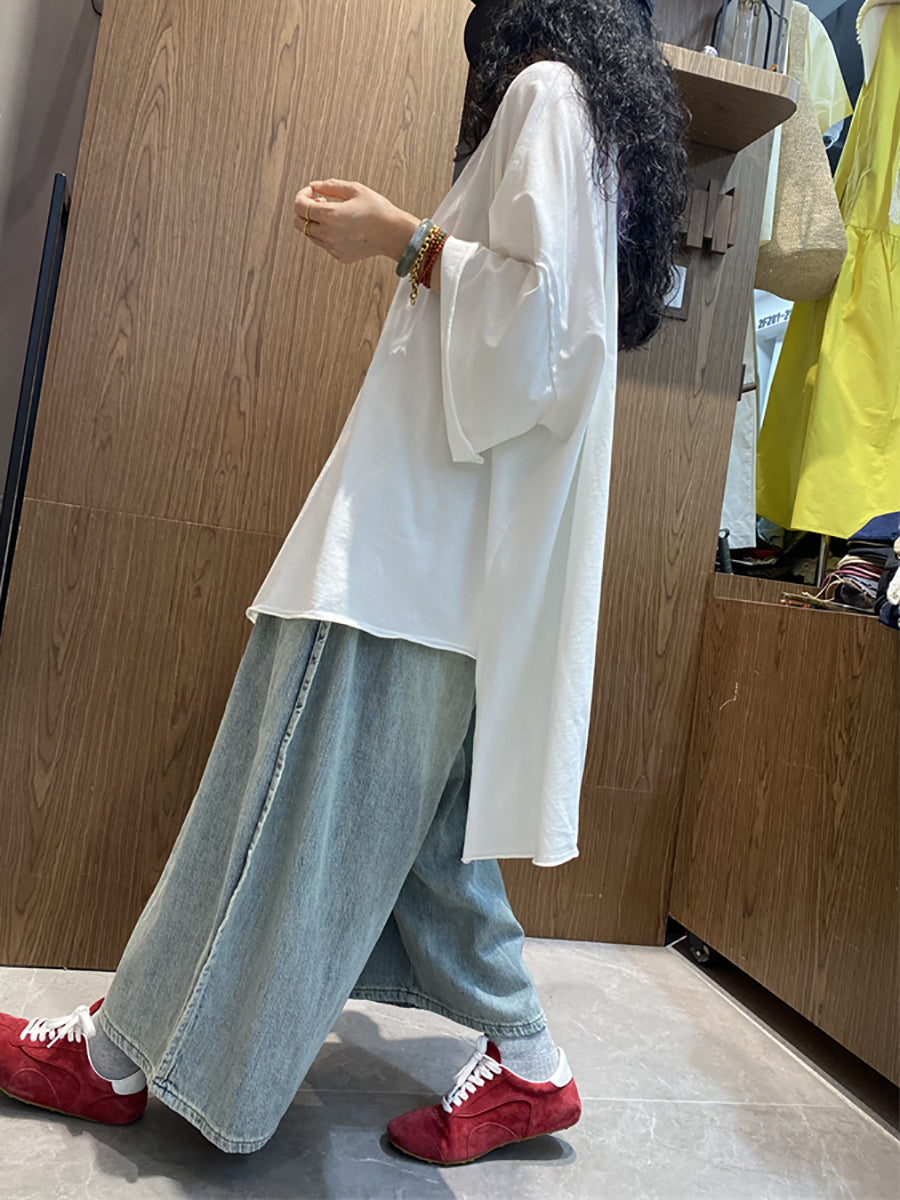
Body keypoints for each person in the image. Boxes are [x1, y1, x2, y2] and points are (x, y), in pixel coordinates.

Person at [0, 0, 685, 1167]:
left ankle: (115, 1056)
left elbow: (539, 342)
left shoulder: (545, 95)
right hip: (445, 565)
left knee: (271, 801)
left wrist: (402, 237)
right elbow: (553, 336)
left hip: (404, 557)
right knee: (421, 839)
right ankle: (532, 1066)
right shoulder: (587, 115)